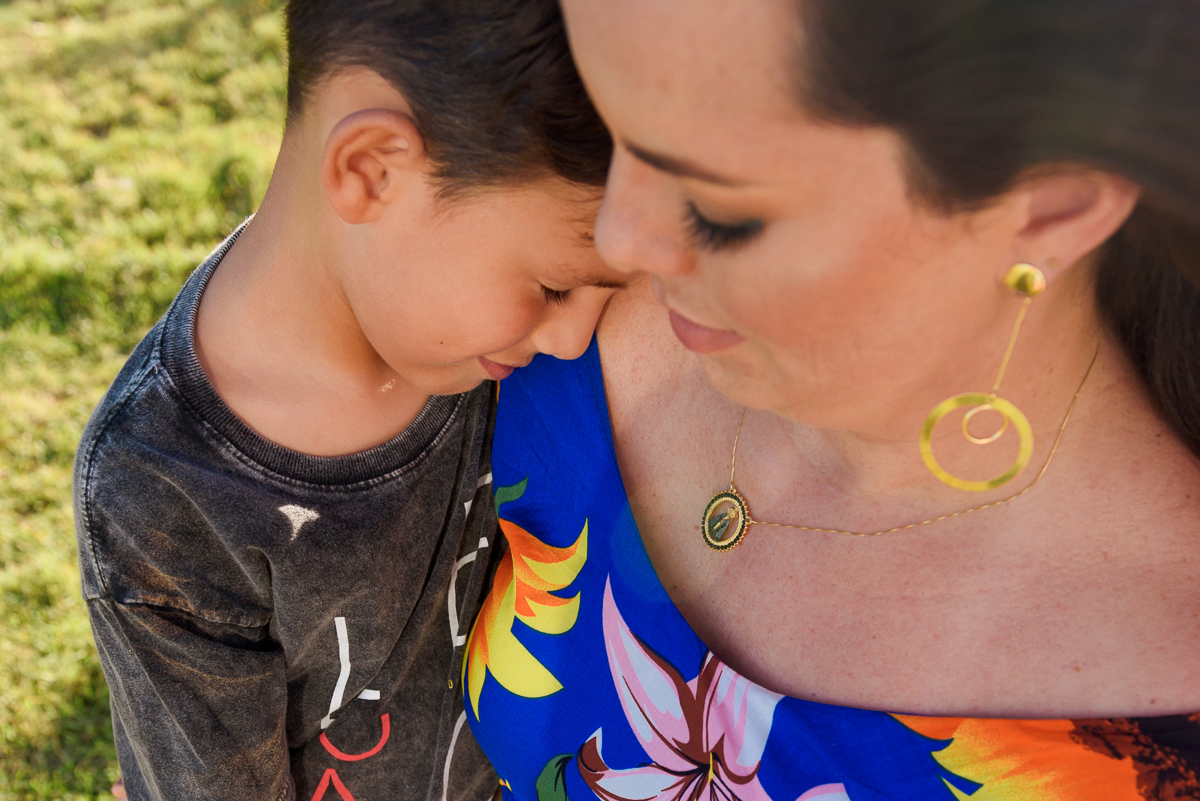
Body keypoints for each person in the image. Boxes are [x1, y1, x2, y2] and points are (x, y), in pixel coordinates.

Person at [460, 0, 1200, 798]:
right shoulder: (550, 317)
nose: (616, 238)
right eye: (613, 125)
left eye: (720, 204)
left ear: (1056, 201)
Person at [72, 0, 629, 798]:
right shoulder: (162, 491)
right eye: (553, 286)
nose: (575, 340)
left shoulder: (482, 338)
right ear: (373, 170)